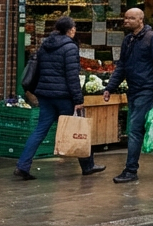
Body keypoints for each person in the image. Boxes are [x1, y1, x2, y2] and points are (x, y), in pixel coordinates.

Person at [14, 16, 103, 180]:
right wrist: (78, 99)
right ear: (70, 29)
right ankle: (88, 165)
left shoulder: (45, 45)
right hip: (63, 96)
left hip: (45, 94)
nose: (75, 30)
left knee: (40, 130)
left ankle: (22, 165)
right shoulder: (69, 47)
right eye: (74, 27)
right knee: (78, 128)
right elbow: (72, 76)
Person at [104, 7, 153, 183]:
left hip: (148, 90)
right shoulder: (128, 40)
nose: (126, 21)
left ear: (140, 20)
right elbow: (122, 66)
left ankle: (131, 170)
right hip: (134, 91)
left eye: (130, 18)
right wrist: (110, 87)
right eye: (125, 18)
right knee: (145, 130)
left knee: (135, 130)